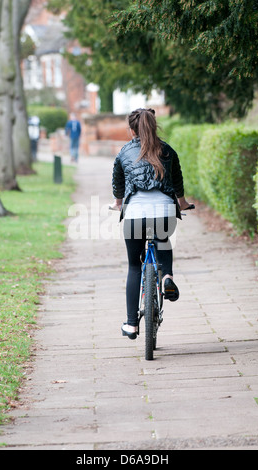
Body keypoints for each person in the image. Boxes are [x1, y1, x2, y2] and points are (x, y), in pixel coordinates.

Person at [111, 108, 194, 340]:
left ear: (131, 130)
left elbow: (118, 185)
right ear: (154, 126)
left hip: (135, 213)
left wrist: (118, 204)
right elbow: (177, 183)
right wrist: (184, 204)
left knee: (134, 267)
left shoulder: (124, 152)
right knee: (162, 239)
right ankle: (167, 276)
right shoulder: (167, 150)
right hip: (164, 211)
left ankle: (131, 324)